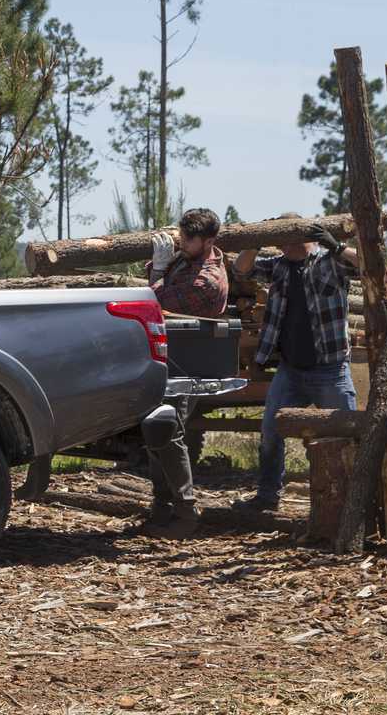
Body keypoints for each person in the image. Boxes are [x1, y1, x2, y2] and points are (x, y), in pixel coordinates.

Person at [231, 212, 359, 512]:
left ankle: (351, 503)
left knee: (345, 434)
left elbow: (367, 266)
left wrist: (337, 246)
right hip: (290, 371)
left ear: (305, 237)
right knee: (270, 433)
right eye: (278, 239)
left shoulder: (330, 263)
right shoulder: (278, 267)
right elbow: (240, 271)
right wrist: (256, 239)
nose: (282, 246)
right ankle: (267, 496)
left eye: (286, 238)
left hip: (330, 370)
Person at [138, 206, 229, 538]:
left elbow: (157, 302)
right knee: (156, 435)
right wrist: (164, 260)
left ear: (207, 241)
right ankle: (162, 508)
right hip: (166, 359)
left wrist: (160, 267)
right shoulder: (189, 260)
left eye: (188, 238)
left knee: (170, 434)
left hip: (186, 363)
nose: (182, 241)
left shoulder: (206, 279)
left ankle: (185, 513)